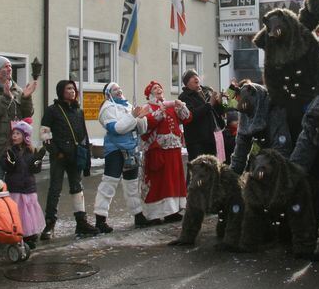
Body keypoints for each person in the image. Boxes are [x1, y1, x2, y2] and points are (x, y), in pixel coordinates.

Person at [95, 82, 157, 232]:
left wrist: (142, 118)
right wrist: (133, 117)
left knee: (132, 184)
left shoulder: (129, 106)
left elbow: (141, 129)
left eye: (119, 88)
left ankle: (138, 215)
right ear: (108, 93)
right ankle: (100, 218)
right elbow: (118, 128)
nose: (119, 91)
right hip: (115, 150)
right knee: (109, 183)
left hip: (131, 149)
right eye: (115, 89)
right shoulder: (107, 108)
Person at [39, 80, 98, 238]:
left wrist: (86, 156)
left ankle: (81, 222)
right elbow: (45, 133)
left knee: (77, 188)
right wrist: (56, 152)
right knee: (55, 189)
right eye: (68, 89)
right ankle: (49, 225)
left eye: (73, 88)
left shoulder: (79, 111)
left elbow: (84, 134)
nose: (72, 91)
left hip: (76, 155)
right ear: (61, 91)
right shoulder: (52, 110)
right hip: (59, 156)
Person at [138, 81, 190, 223]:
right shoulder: (148, 107)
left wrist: (180, 106)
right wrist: (160, 111)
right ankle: (154, 214)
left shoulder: (170, 105)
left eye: (160, 87)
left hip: (173, 149)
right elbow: (145, 125)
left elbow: (187, 118)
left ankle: (171, 211)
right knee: (158, 182)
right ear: (150, 93)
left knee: (173, 181)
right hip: (157, 150)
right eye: (155, 88)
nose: (158, 89)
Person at [0, 56, 36, 168]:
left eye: (10, 66)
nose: (10, 69)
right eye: (5, 66)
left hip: (16, 146)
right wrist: (5, 98)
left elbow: (27, 115)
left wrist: (26, 98)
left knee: (16, 182)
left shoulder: (17, 89)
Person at [3, 121, 45, 248]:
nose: (14, 136)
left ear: (25, 136)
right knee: (18, 212)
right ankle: (19, 234)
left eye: (18, 134)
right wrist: (10, 162)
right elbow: (8, 168)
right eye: (13, 133)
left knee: (29, 213)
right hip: (15, 187)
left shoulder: (30, 152)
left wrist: (38, 160)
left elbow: (34, 170)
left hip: (28, 187)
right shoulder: (10, 151)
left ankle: (30, 234)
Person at [177, 70, 225, 161]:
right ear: (186, 83)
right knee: (197, 169)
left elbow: (220, 112)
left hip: (211, 137)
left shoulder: (207, 92)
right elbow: (191, 115)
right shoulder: (184, 97)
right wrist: (209, 104)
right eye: (192, 77)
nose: (196, 78)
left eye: (196, 76)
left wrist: (220, 102)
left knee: (212, 168)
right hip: (196, 141)